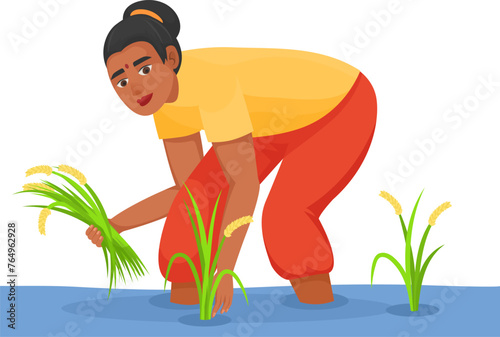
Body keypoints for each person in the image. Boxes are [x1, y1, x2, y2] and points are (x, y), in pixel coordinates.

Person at [85, 0, 377, 318]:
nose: (136, 87)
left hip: (339, 106)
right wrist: (116, 225)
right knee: (192, 206)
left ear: (170, 58)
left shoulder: (212, 83)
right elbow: (187, 193)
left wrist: (225, 270)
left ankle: (319, 315)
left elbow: (244, 185)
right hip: (270, 120)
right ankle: (182, 315)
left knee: (285, 216)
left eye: (144, 69)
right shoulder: (163, 100)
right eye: (121, 81)